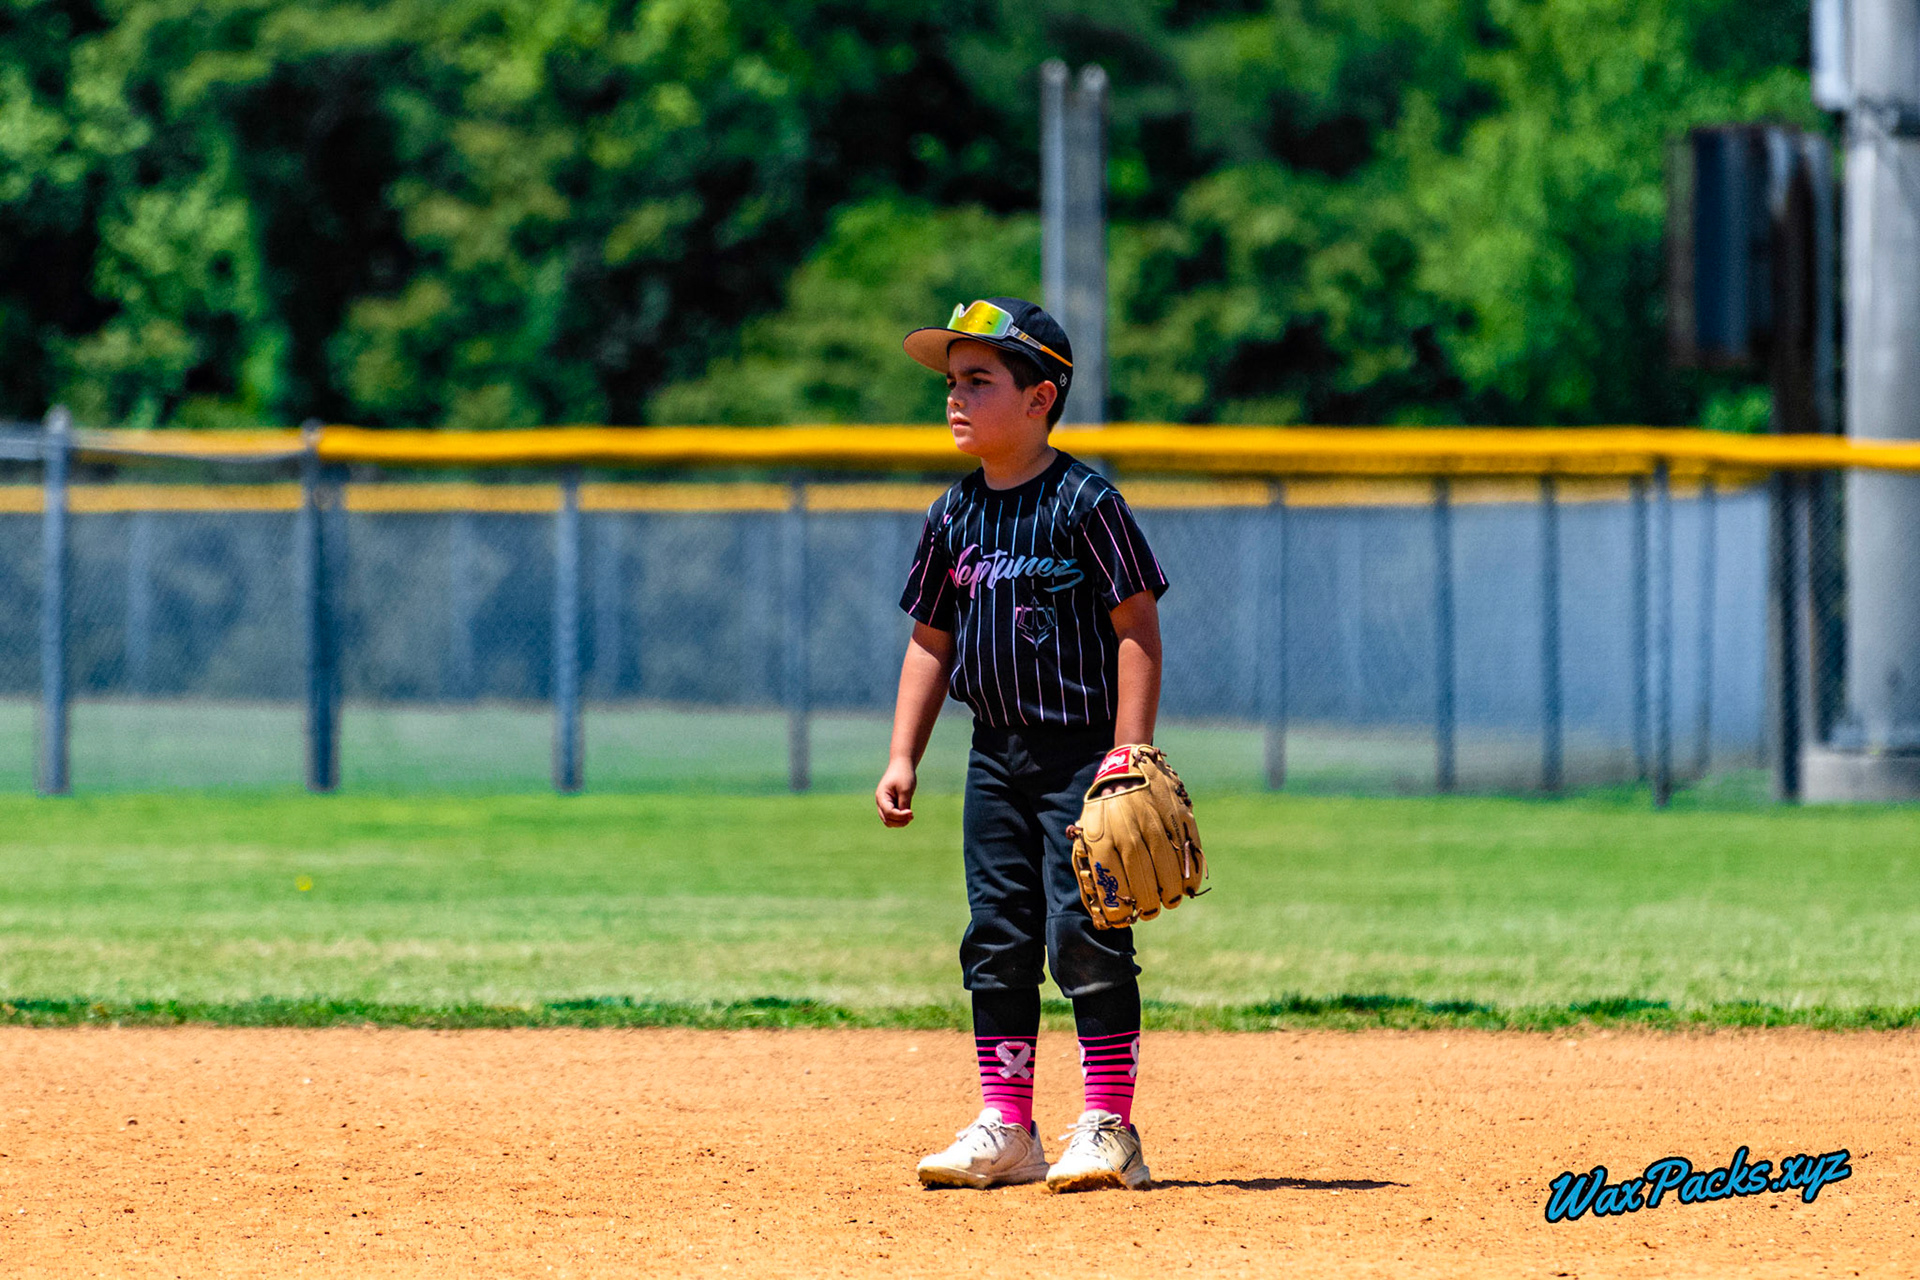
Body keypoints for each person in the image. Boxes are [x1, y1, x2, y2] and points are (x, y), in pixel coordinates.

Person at [875, 298, 1169, 1192]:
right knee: (997, 937)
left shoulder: (1087, 504)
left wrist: (1129, 756)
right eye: (951, 382)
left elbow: (1138, 629)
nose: (955, 398)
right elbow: (930, 640)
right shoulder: (952, 516)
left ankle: (1109, 1128)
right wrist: (902, 756)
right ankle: (1007, 1127)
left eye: (979, 380)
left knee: (1087, 932)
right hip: (993, 758)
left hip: (1082, 757)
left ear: (1040, 397)